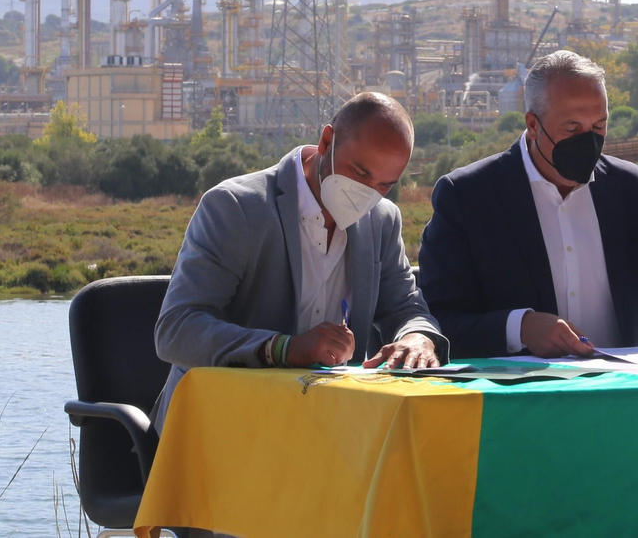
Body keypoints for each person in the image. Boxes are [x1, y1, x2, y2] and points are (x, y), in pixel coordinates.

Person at [417, 50, 638, 359]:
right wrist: (520, 328)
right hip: (517, 398)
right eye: (572, 127)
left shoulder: (633, 188)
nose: (588, 140)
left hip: (622, 394)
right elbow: (436, 320)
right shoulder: (466, 195)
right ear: (533, 125)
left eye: (599, 126)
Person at [152, 93, 445, 431]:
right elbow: (176, 329)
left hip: (330, 430)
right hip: (221, 427)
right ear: (326, 142)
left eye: (384, 185)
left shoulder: (382, 219)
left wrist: (418, 337)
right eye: (359, 172)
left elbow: (405, 308)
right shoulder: (235, 207)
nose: (367, 193)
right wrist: (284, 349)